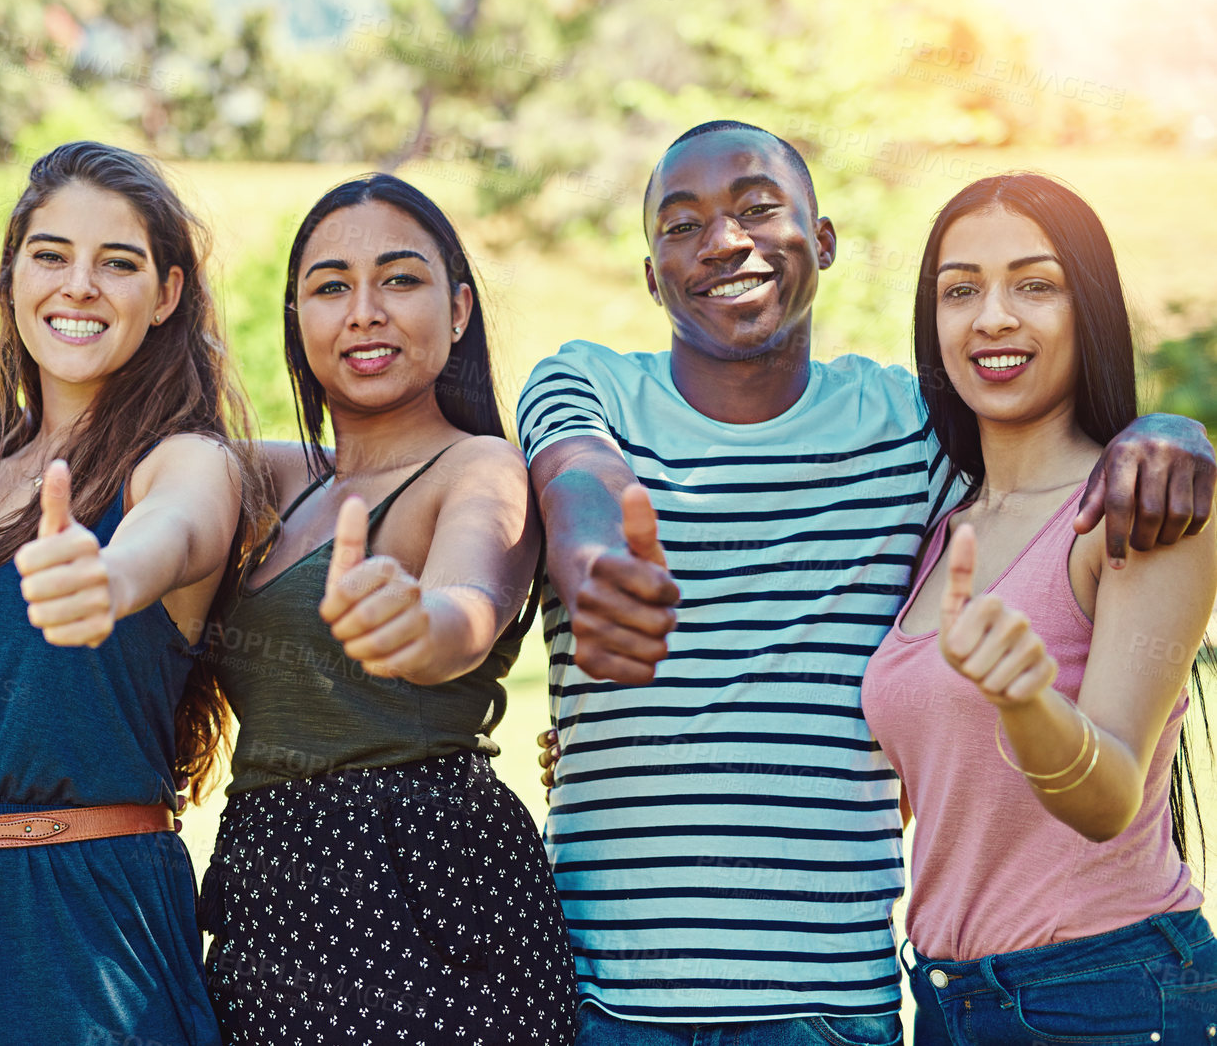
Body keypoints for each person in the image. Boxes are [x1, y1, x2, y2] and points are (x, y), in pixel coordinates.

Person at [518, 121, 1215, 1044]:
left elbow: (1052, 447)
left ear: (826, 241)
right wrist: (600, 571)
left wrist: (1169, 430)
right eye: (681, 225)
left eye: (759, 208)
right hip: (641, 995)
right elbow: (576, 481)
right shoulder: (589, 385)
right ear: (650, 277)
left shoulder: (914, 435)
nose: (724, 241)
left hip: (865, 998)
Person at [0, 173, 577, 1042]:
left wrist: (419, 625)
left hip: (424, 882)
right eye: (330, 287)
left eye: (401, 279)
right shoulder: (278, 478)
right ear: (296, 318)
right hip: (271, 892)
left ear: (458, 309)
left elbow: (465, 604)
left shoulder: (479, 465)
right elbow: (90, 437)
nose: (365, 312)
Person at [0, 141, 252, 1045]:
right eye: (50, 254)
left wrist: (109, 575)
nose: (79, 285)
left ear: (168, 295)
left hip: (77, 931)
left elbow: (174, 528)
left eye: (119, 262)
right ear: (10, 279)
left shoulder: (183, 461)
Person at [861, 173, 1217, 1042]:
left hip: (1106, 991)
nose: (991, 317)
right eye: (959, 289)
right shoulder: (941, 526)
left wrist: (1026, 701)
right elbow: (932, 793)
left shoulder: (1140, 506)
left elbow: (1106, 797)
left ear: (1085, 306)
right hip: (948, 1001)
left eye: (1034, 284)